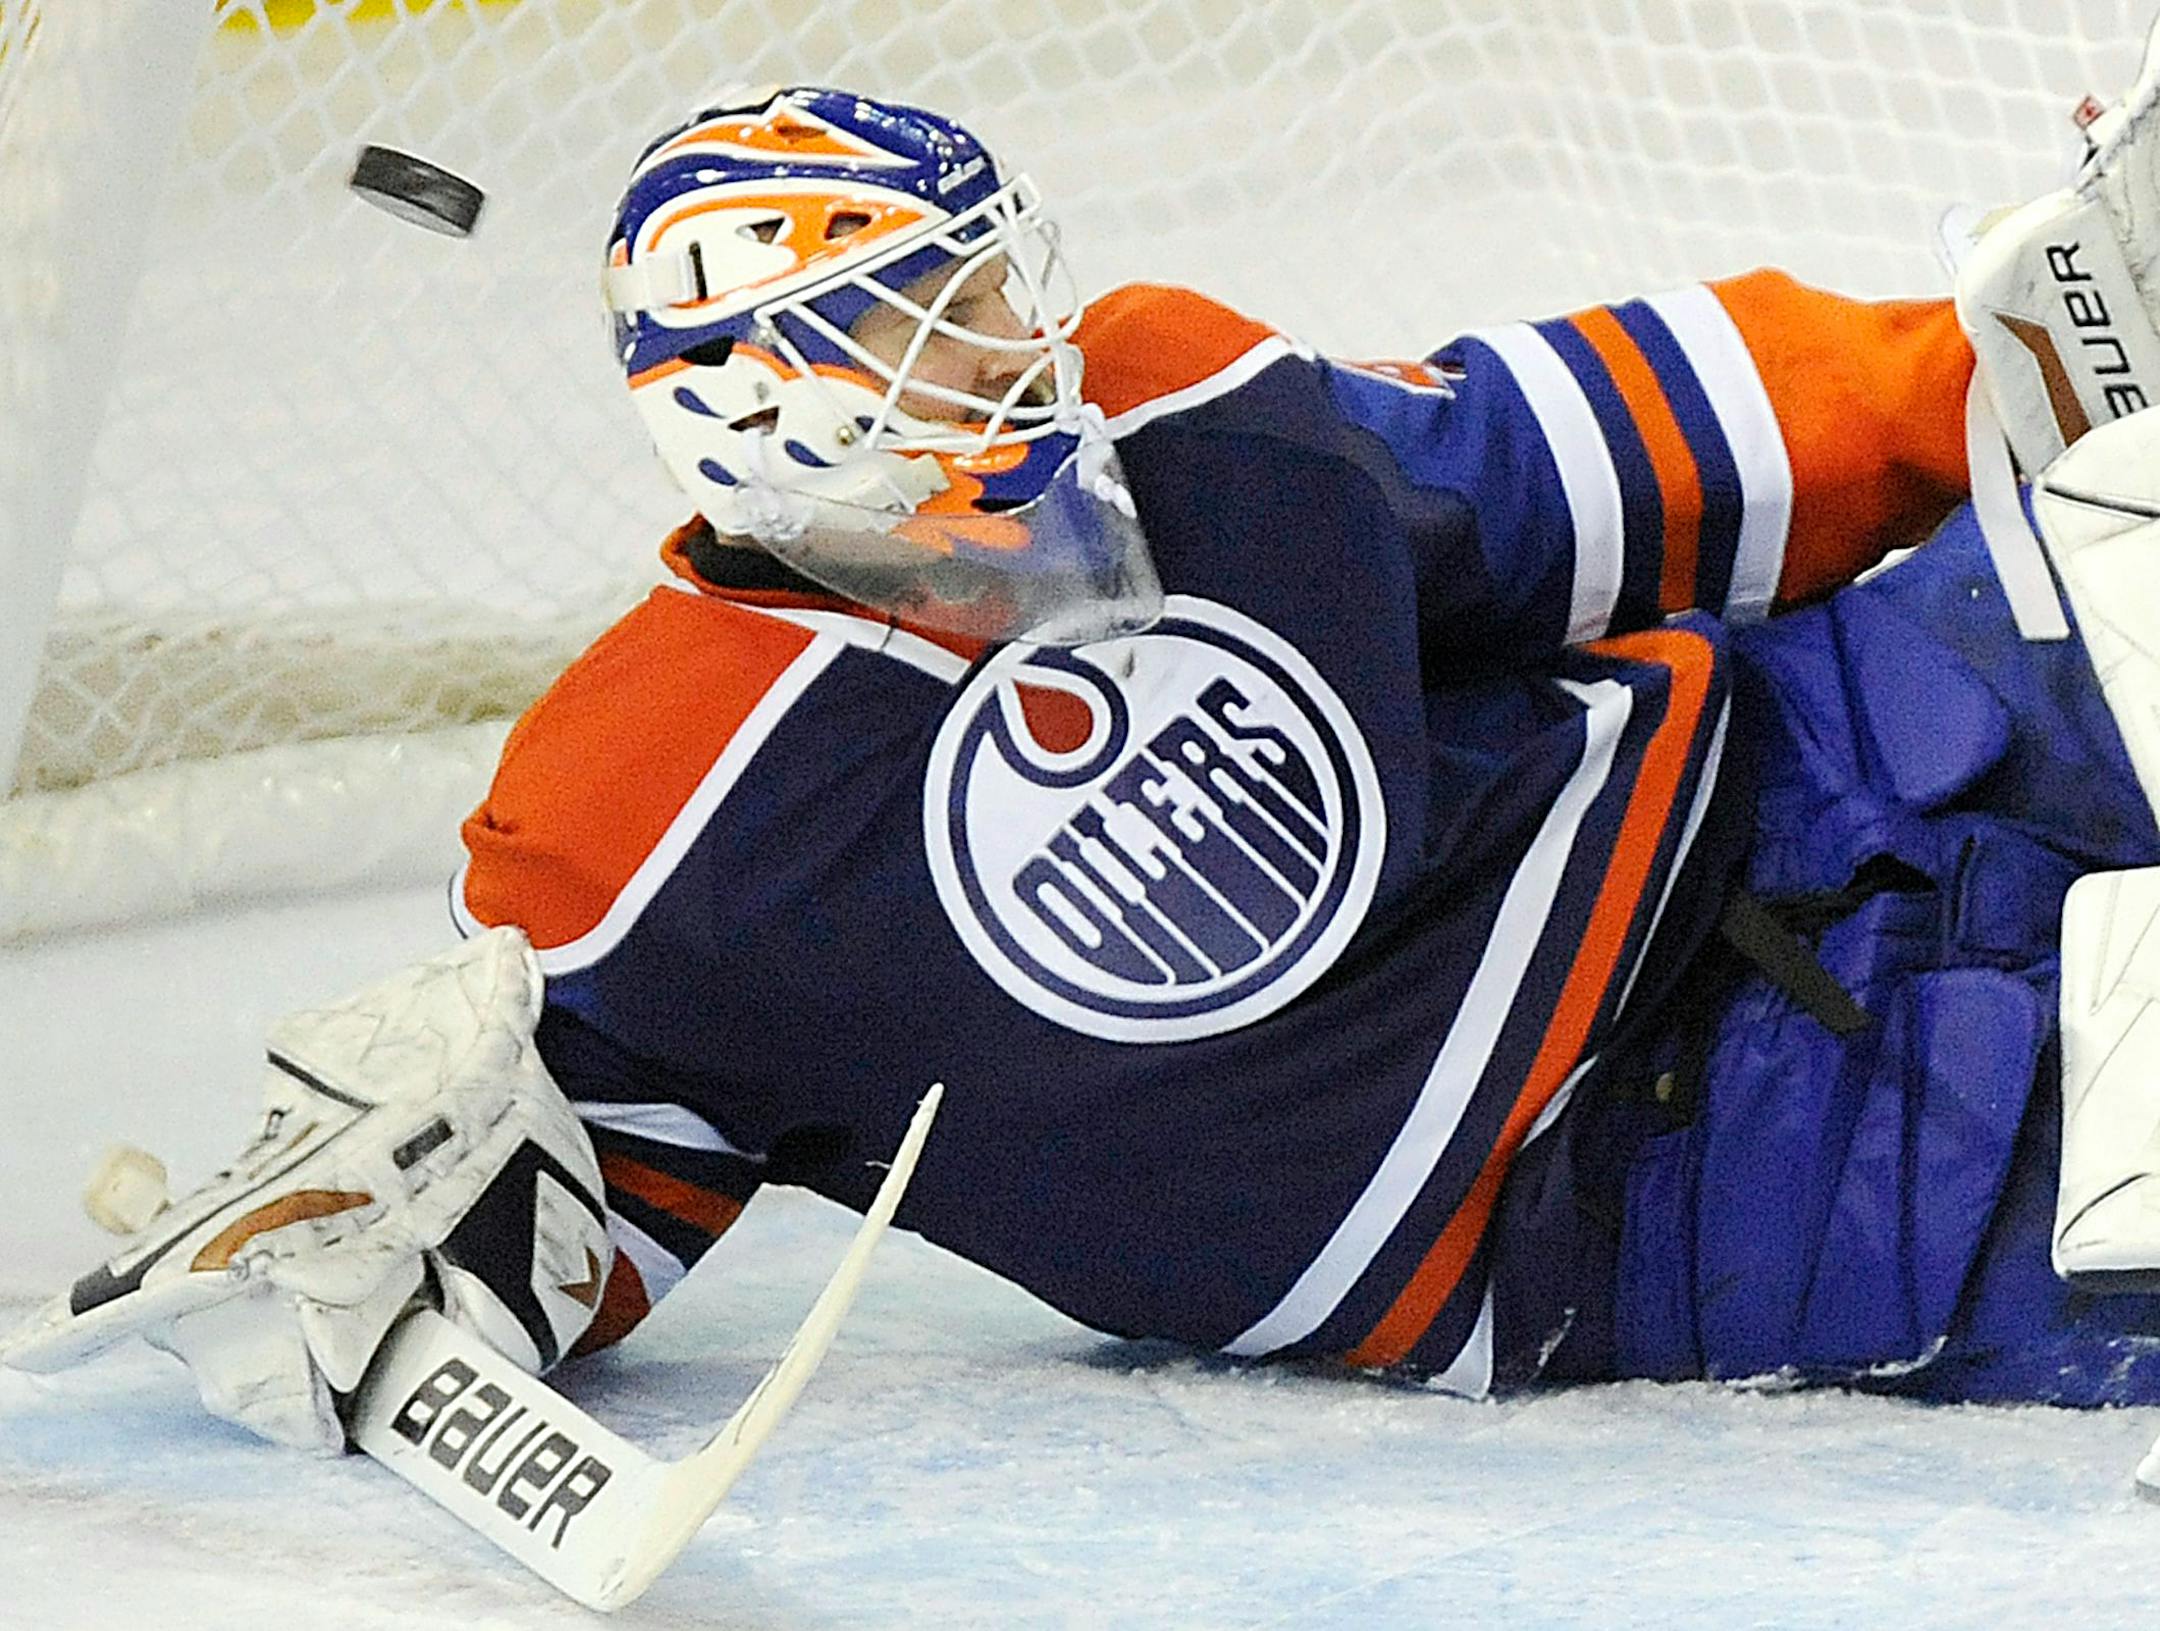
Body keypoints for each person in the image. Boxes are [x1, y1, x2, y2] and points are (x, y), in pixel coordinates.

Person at [19, 45, 2160, 1451]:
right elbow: (605, 1193)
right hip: (1658, 1183)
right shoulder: (637, 824)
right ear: (751, 400)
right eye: (906, 316)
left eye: (980, 282)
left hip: (1817, 754)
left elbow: (1548, 470)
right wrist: (406, 1269)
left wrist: (1979, 368)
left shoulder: (1162, 395)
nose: (996, 341)